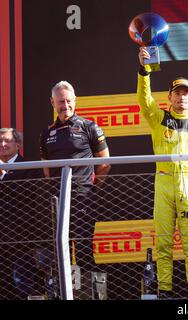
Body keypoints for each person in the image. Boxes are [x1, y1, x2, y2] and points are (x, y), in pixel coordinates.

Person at [137, 47, 188, 299]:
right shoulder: (159, 118)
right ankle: (165, 290)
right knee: (163, 242)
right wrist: (144, 70)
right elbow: (144, 99)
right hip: (163, 183)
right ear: (169, 97)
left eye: (186, 93)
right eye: (177, 93)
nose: (181, 97)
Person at [39, 81, 111, 291]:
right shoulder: (46, 133)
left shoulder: (89, 126)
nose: (65, 105)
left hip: (83, 197)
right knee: (58, 249)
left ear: (75, 101)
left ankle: (91, 294)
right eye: (60, 101)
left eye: (69, 101)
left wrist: (91, 188)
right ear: (52, 102)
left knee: (83, 248)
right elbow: (45, 168)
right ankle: (65, 292)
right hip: (56, 200)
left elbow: (105, 163)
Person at [0, 128, 44, 299]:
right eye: (0, 141)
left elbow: (27, 194)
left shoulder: (30, 168)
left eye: (7, 141)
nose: (2, 145)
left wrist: (4, 177)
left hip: (19, 239)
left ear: (17, 144)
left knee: (20, 286)